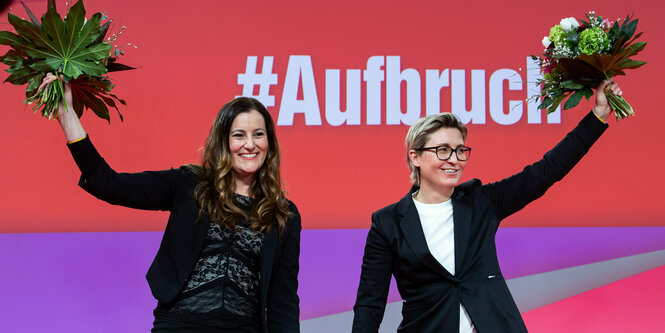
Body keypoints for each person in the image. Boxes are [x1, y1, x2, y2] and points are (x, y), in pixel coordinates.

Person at [352, 80, 623, 333]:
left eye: (460, 150)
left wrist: (598, 115)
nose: (454, 159)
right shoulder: (388, 223)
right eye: (443, 150)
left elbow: (546, 171)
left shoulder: (481, 202)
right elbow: (369, 303)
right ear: (416, 157)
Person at [41, 73, 301, 333]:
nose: (249, 144)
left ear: (269, 143)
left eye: (258, 134)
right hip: (180, 326)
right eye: (239, 135)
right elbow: (109, 184)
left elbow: (283, 301)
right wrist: (67, 116)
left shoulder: (284, 214)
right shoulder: (189, 185)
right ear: (224, 142)